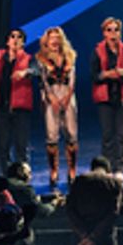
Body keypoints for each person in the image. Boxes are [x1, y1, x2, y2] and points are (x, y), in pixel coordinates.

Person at [32, 26, 78, 188]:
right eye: (51, 38)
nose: (54, 41)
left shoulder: (70, 57)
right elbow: (43, 82)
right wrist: (51, 98)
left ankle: (72, 169)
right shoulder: (41, 59)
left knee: (71, 134)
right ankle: (54, 170)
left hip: (67, 96)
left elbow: (73, 80)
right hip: (50, 97)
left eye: (57, 38)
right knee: (51, 136)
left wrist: (66, 98)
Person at [91, 17, 123, 177]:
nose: (113, 33)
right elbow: (94, 75)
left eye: (116, 30)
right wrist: (106, 74)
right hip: (105, 98)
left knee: (121, 135)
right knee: (108, 135)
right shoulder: (98, 52)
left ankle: (120, 168)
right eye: (109, 30)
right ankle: (107, 167)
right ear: (104, 33)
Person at [0, 28, 35, 171]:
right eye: (12, 37)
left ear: (23, 43)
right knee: (3, 146)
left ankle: (23, 176)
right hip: (2, 108)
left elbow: (37, 70)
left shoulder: (29, 59)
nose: (15, 39)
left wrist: (25, 72)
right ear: (8, 41)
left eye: (19, 37)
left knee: (21, 146)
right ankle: (7, 176)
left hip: (20, 109)